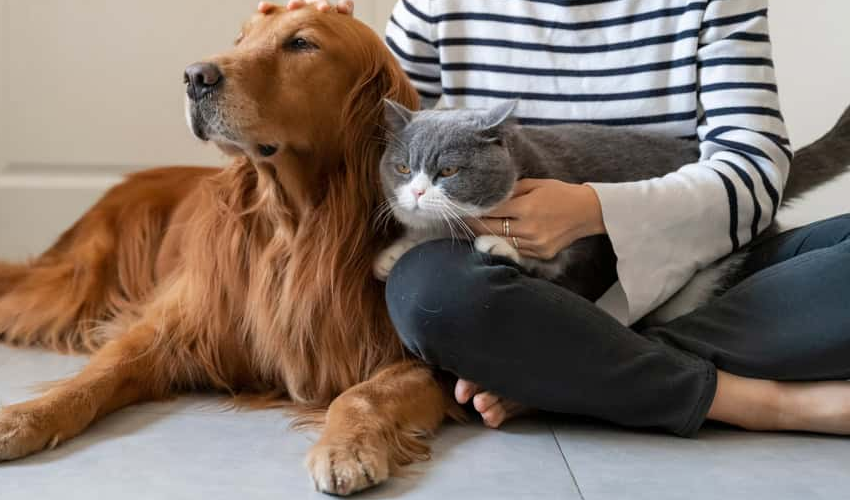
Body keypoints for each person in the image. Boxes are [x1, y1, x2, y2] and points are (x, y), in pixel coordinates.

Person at [264, 0, 850, 437]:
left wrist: (593, 209)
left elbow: (756, 172)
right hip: (504, 281)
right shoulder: (436, 5)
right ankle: (753, 400)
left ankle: (568, 369)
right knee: (429, 293)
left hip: (698, 265)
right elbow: (372, 134)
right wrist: (309, 48)